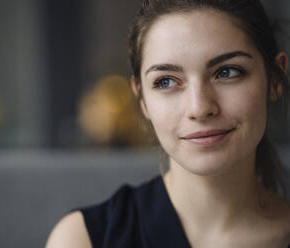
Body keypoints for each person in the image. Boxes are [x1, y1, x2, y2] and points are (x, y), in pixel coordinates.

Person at [46, 0, 290, 247]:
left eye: (227, 72)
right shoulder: (81, 239)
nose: (199, 108)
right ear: (141, 98)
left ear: (275, 79)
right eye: (166, 82)